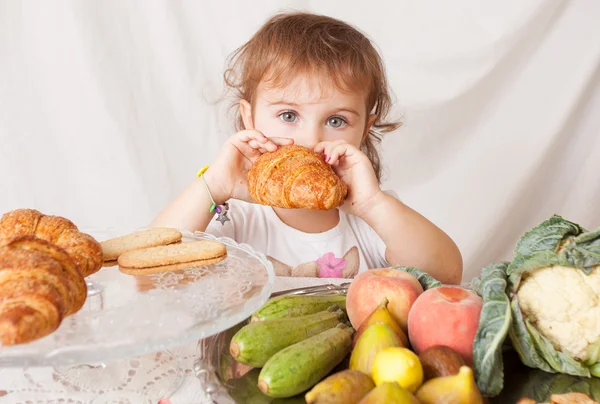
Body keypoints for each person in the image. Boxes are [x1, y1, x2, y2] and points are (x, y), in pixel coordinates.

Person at [151, 11, 463, 284]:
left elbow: (447, 275)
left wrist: (373, 206)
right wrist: (213, 186)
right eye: (289, 115)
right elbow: (149, 271)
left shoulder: (371, 217)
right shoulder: (234, 216)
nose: (311, 141)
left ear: (364, 130)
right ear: (250, 118)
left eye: (337, 121)